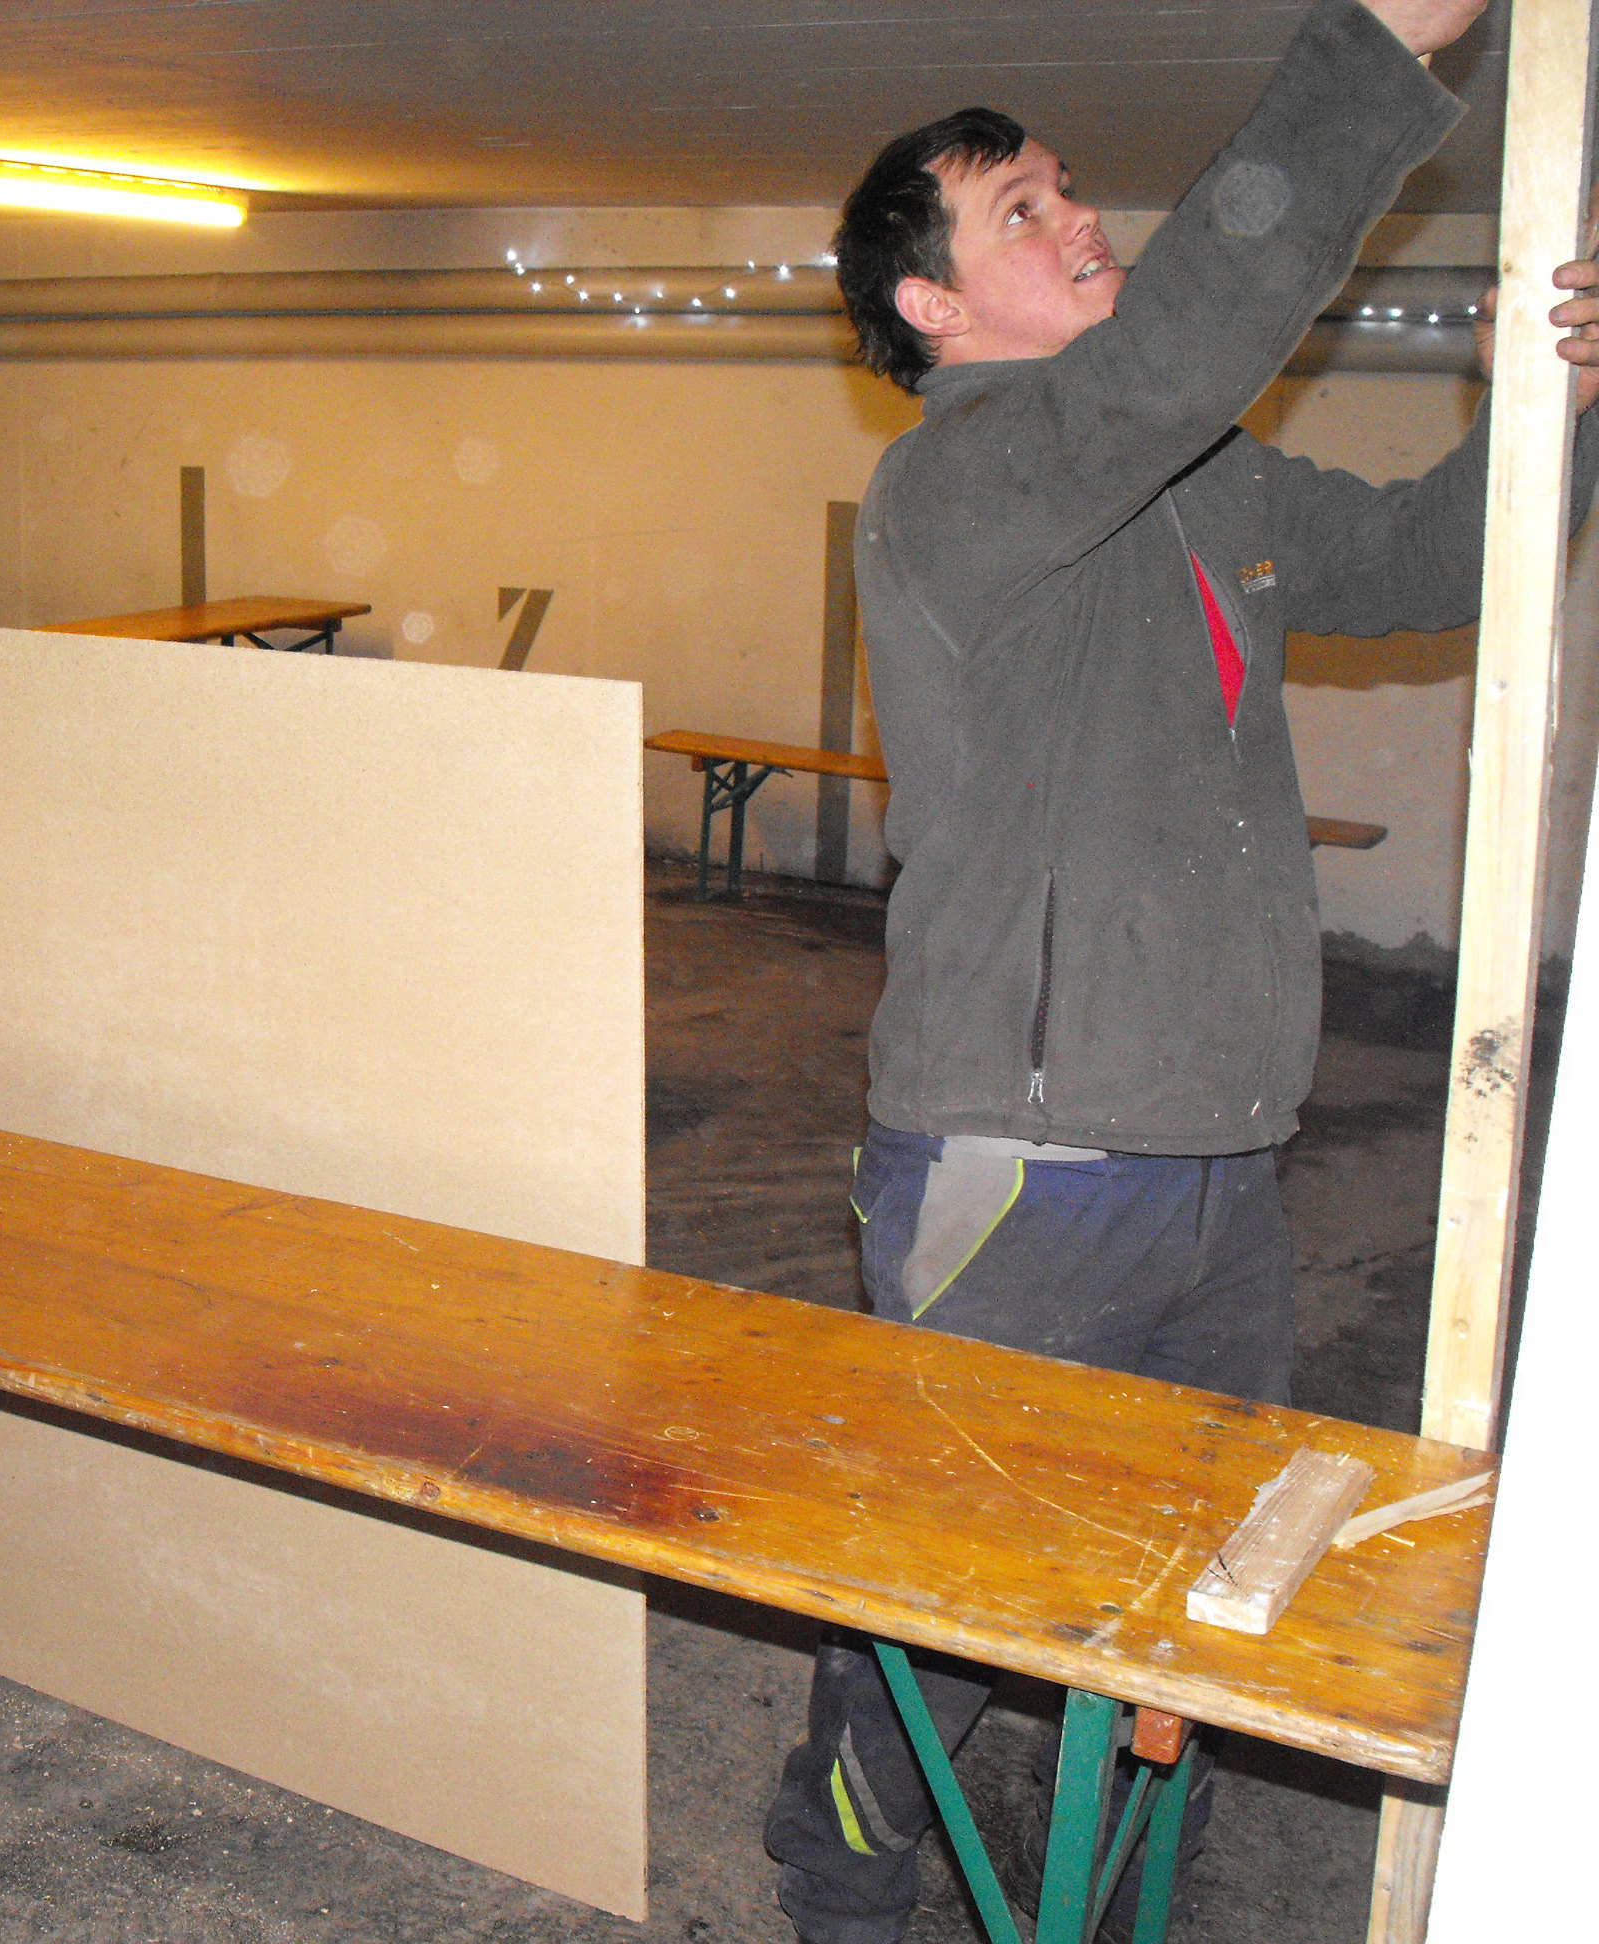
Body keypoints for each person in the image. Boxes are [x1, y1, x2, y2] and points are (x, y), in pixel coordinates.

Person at [761, 2, 1599, 1939]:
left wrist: (1551, 415)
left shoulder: (1202, 478)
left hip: (1224, 1160)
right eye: (1024, 210)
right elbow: (1184, 345)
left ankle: (1132, 1899)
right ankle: (841, 1890)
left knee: (1204, 1597)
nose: (1082, 217)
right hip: (1026, 1172)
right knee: (943, 1607)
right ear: (933, 307)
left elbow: (1423, 560)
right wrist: (1380, 48)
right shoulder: (961, 486)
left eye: (1070, 188)